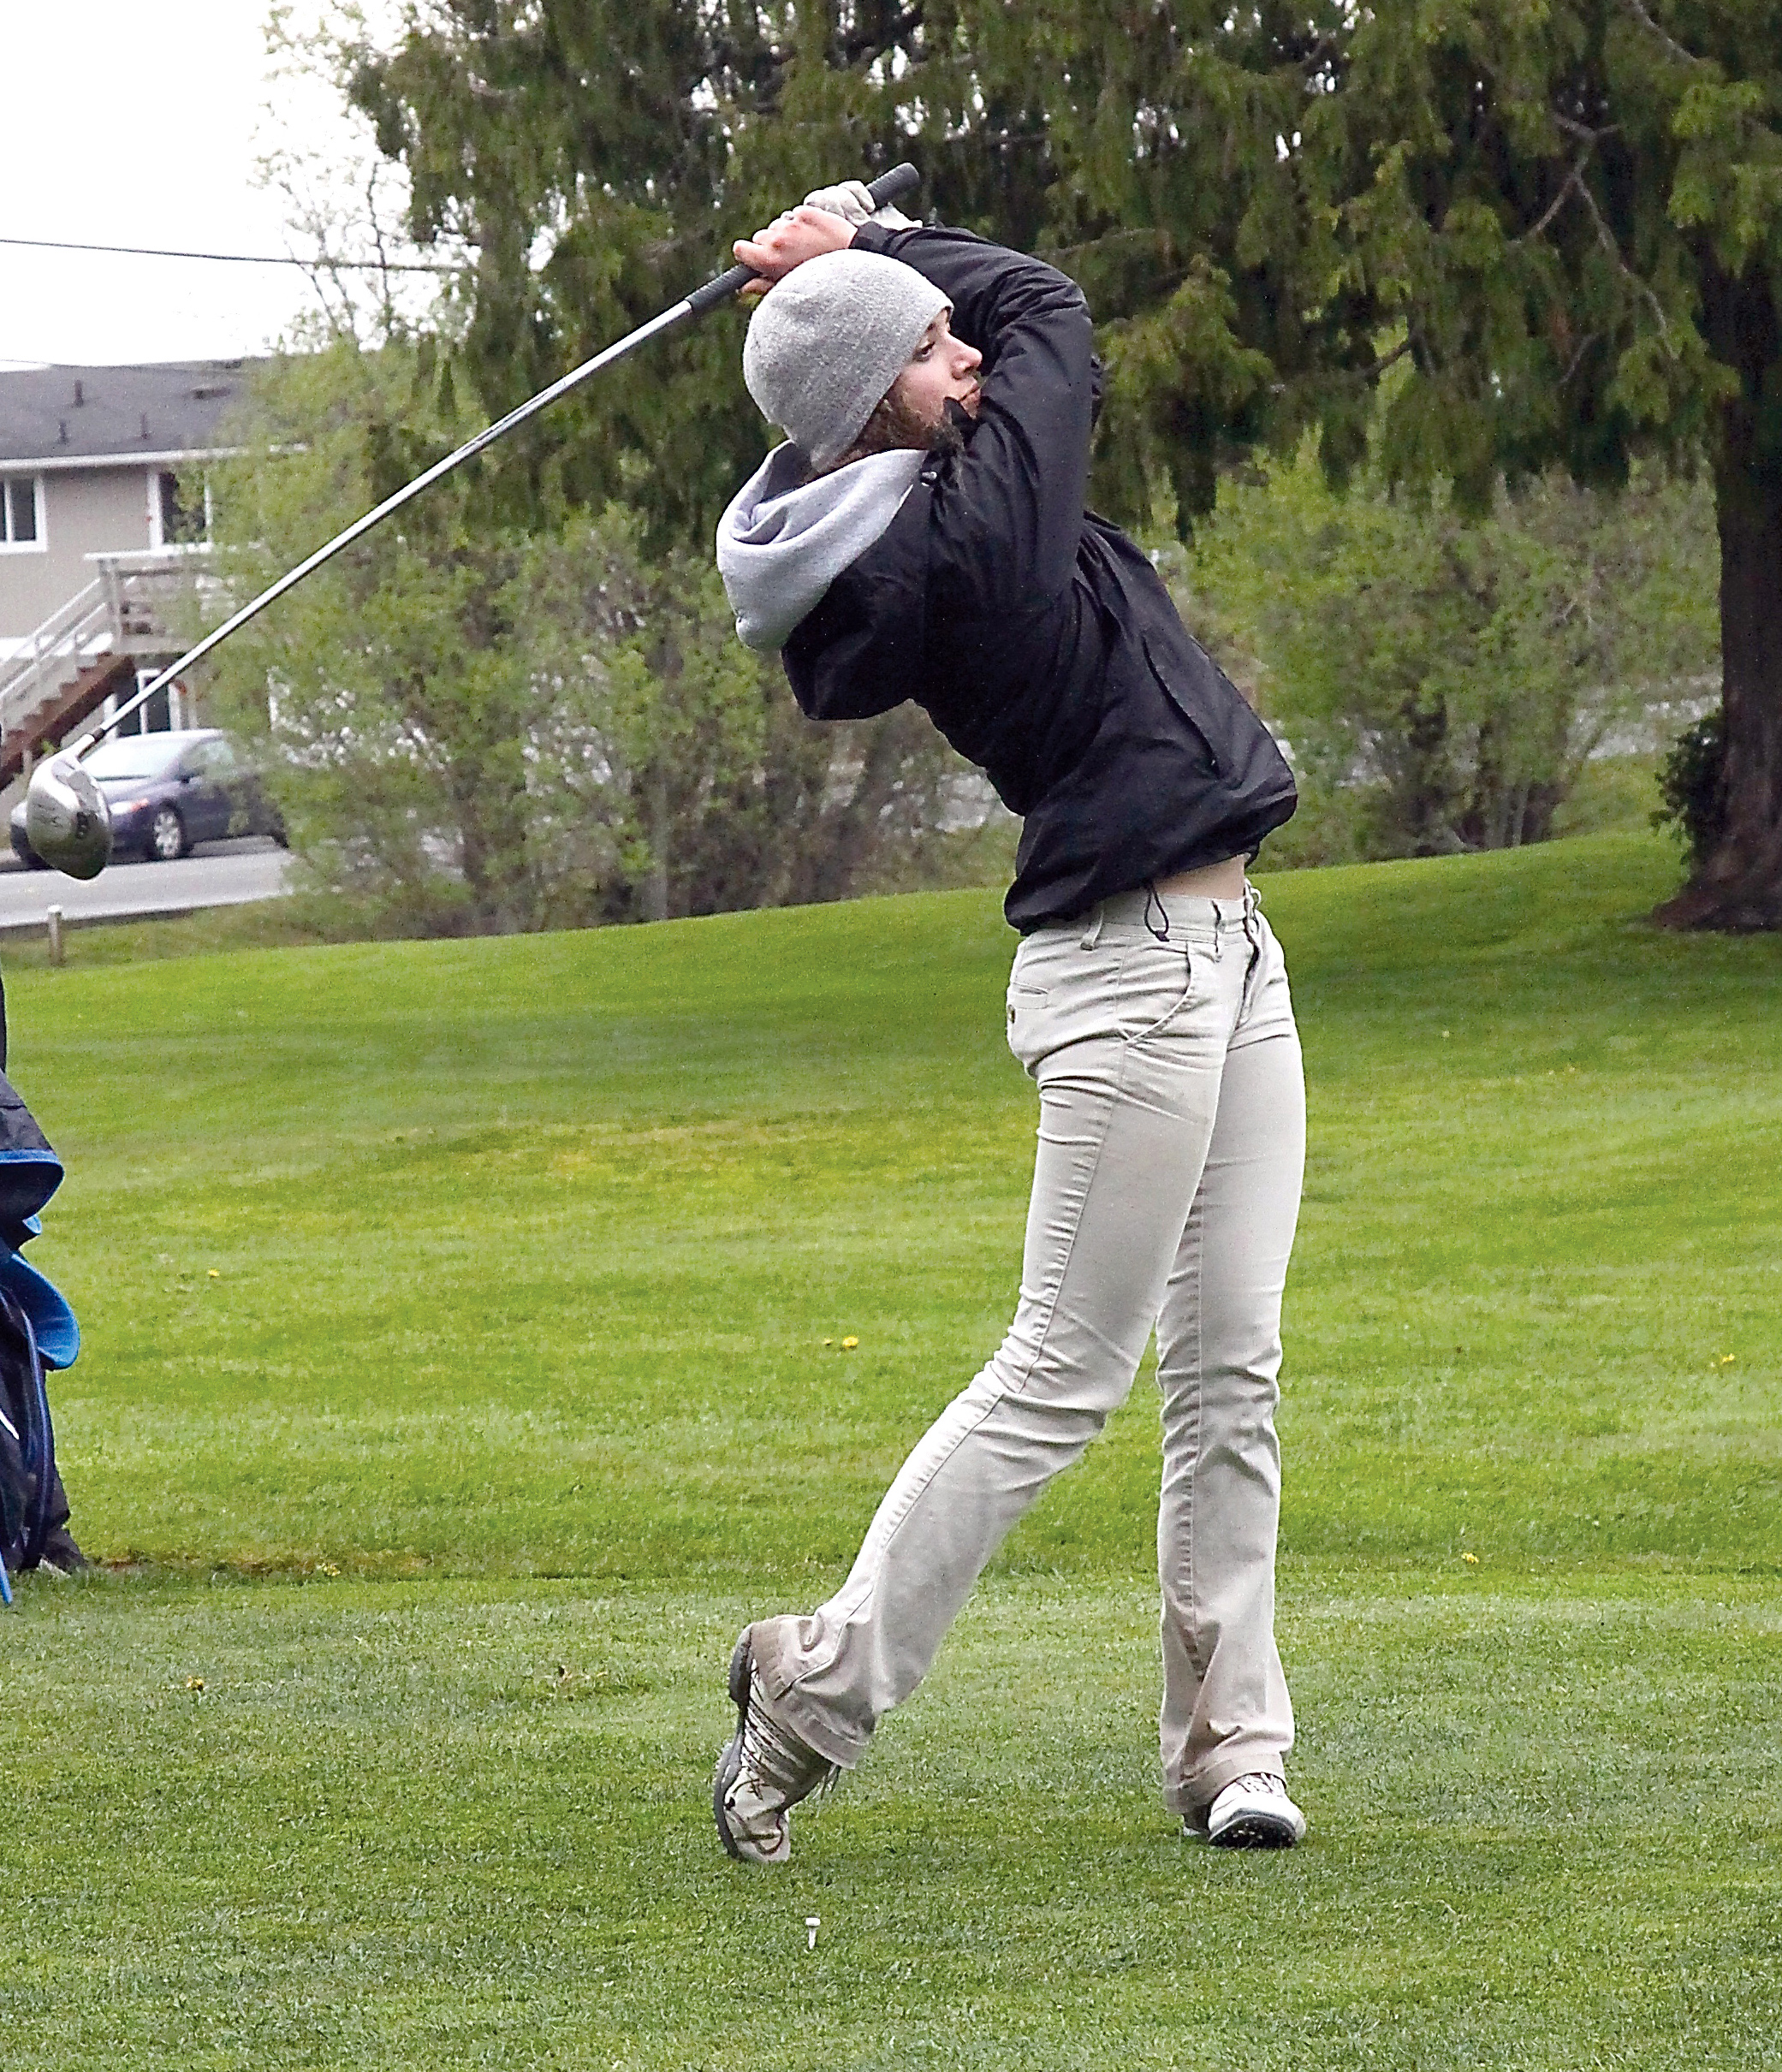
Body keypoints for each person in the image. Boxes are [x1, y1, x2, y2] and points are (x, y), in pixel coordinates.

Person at [710, 183, 1304, 1863]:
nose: (964, 359)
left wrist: (869, 260)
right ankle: (811, 1687)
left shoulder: (933, 497)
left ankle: (1231, 1742)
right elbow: (1048, 304)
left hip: (1226, 951)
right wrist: (877, 250)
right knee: (1063, 1370)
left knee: (1232, 1370)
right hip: (1133, 973)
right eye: (927, 349)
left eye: (947, 339)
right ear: (872, 398)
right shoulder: (965, 536)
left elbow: (986, 336)